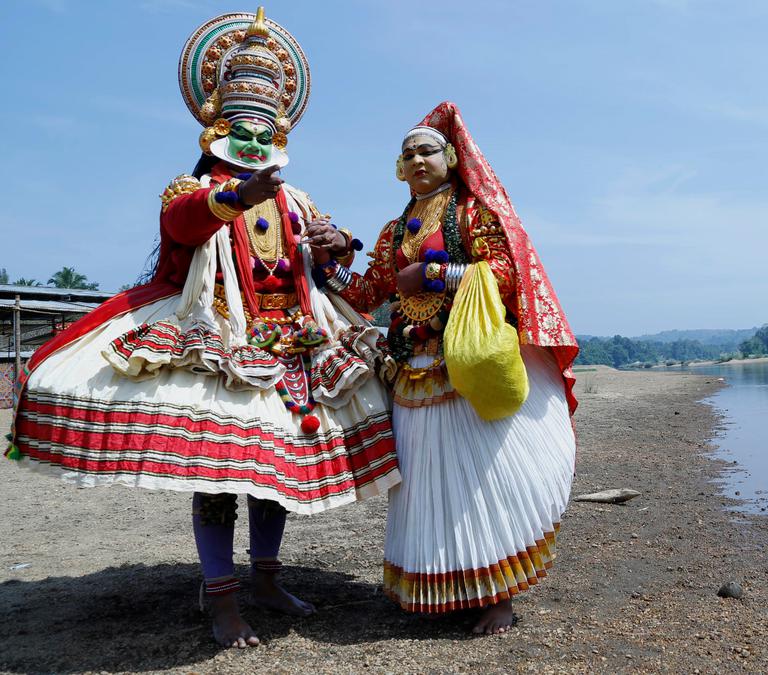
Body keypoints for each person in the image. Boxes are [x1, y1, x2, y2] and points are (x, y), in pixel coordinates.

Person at [5, 8, 400, 648]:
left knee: (275, 473)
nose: (253, 142)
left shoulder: (295, 199)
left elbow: (326, 255)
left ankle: (265, 579)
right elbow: (183, 228)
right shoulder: (189, 190)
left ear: (282, 133)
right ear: (216, 127)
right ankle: (220, 596)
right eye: (243, 129)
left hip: (293, 342)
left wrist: (332, 241)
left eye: (265, 130)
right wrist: (235, 199)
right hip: (216, 338)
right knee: (219, 475)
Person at [309, 102, 579, 634]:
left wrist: (433, 276)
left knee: (486, 477)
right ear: (397, 168)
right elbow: (369, 292)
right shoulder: (393, 231)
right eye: (406, 154)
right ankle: (451, 585)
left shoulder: (472, 214)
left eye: (426, 150)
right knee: (428, 481)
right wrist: (328, 263)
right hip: (412, 369)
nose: (416, 160)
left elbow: (502, 272)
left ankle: (499, 595)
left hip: (466, 363)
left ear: (451, 157)